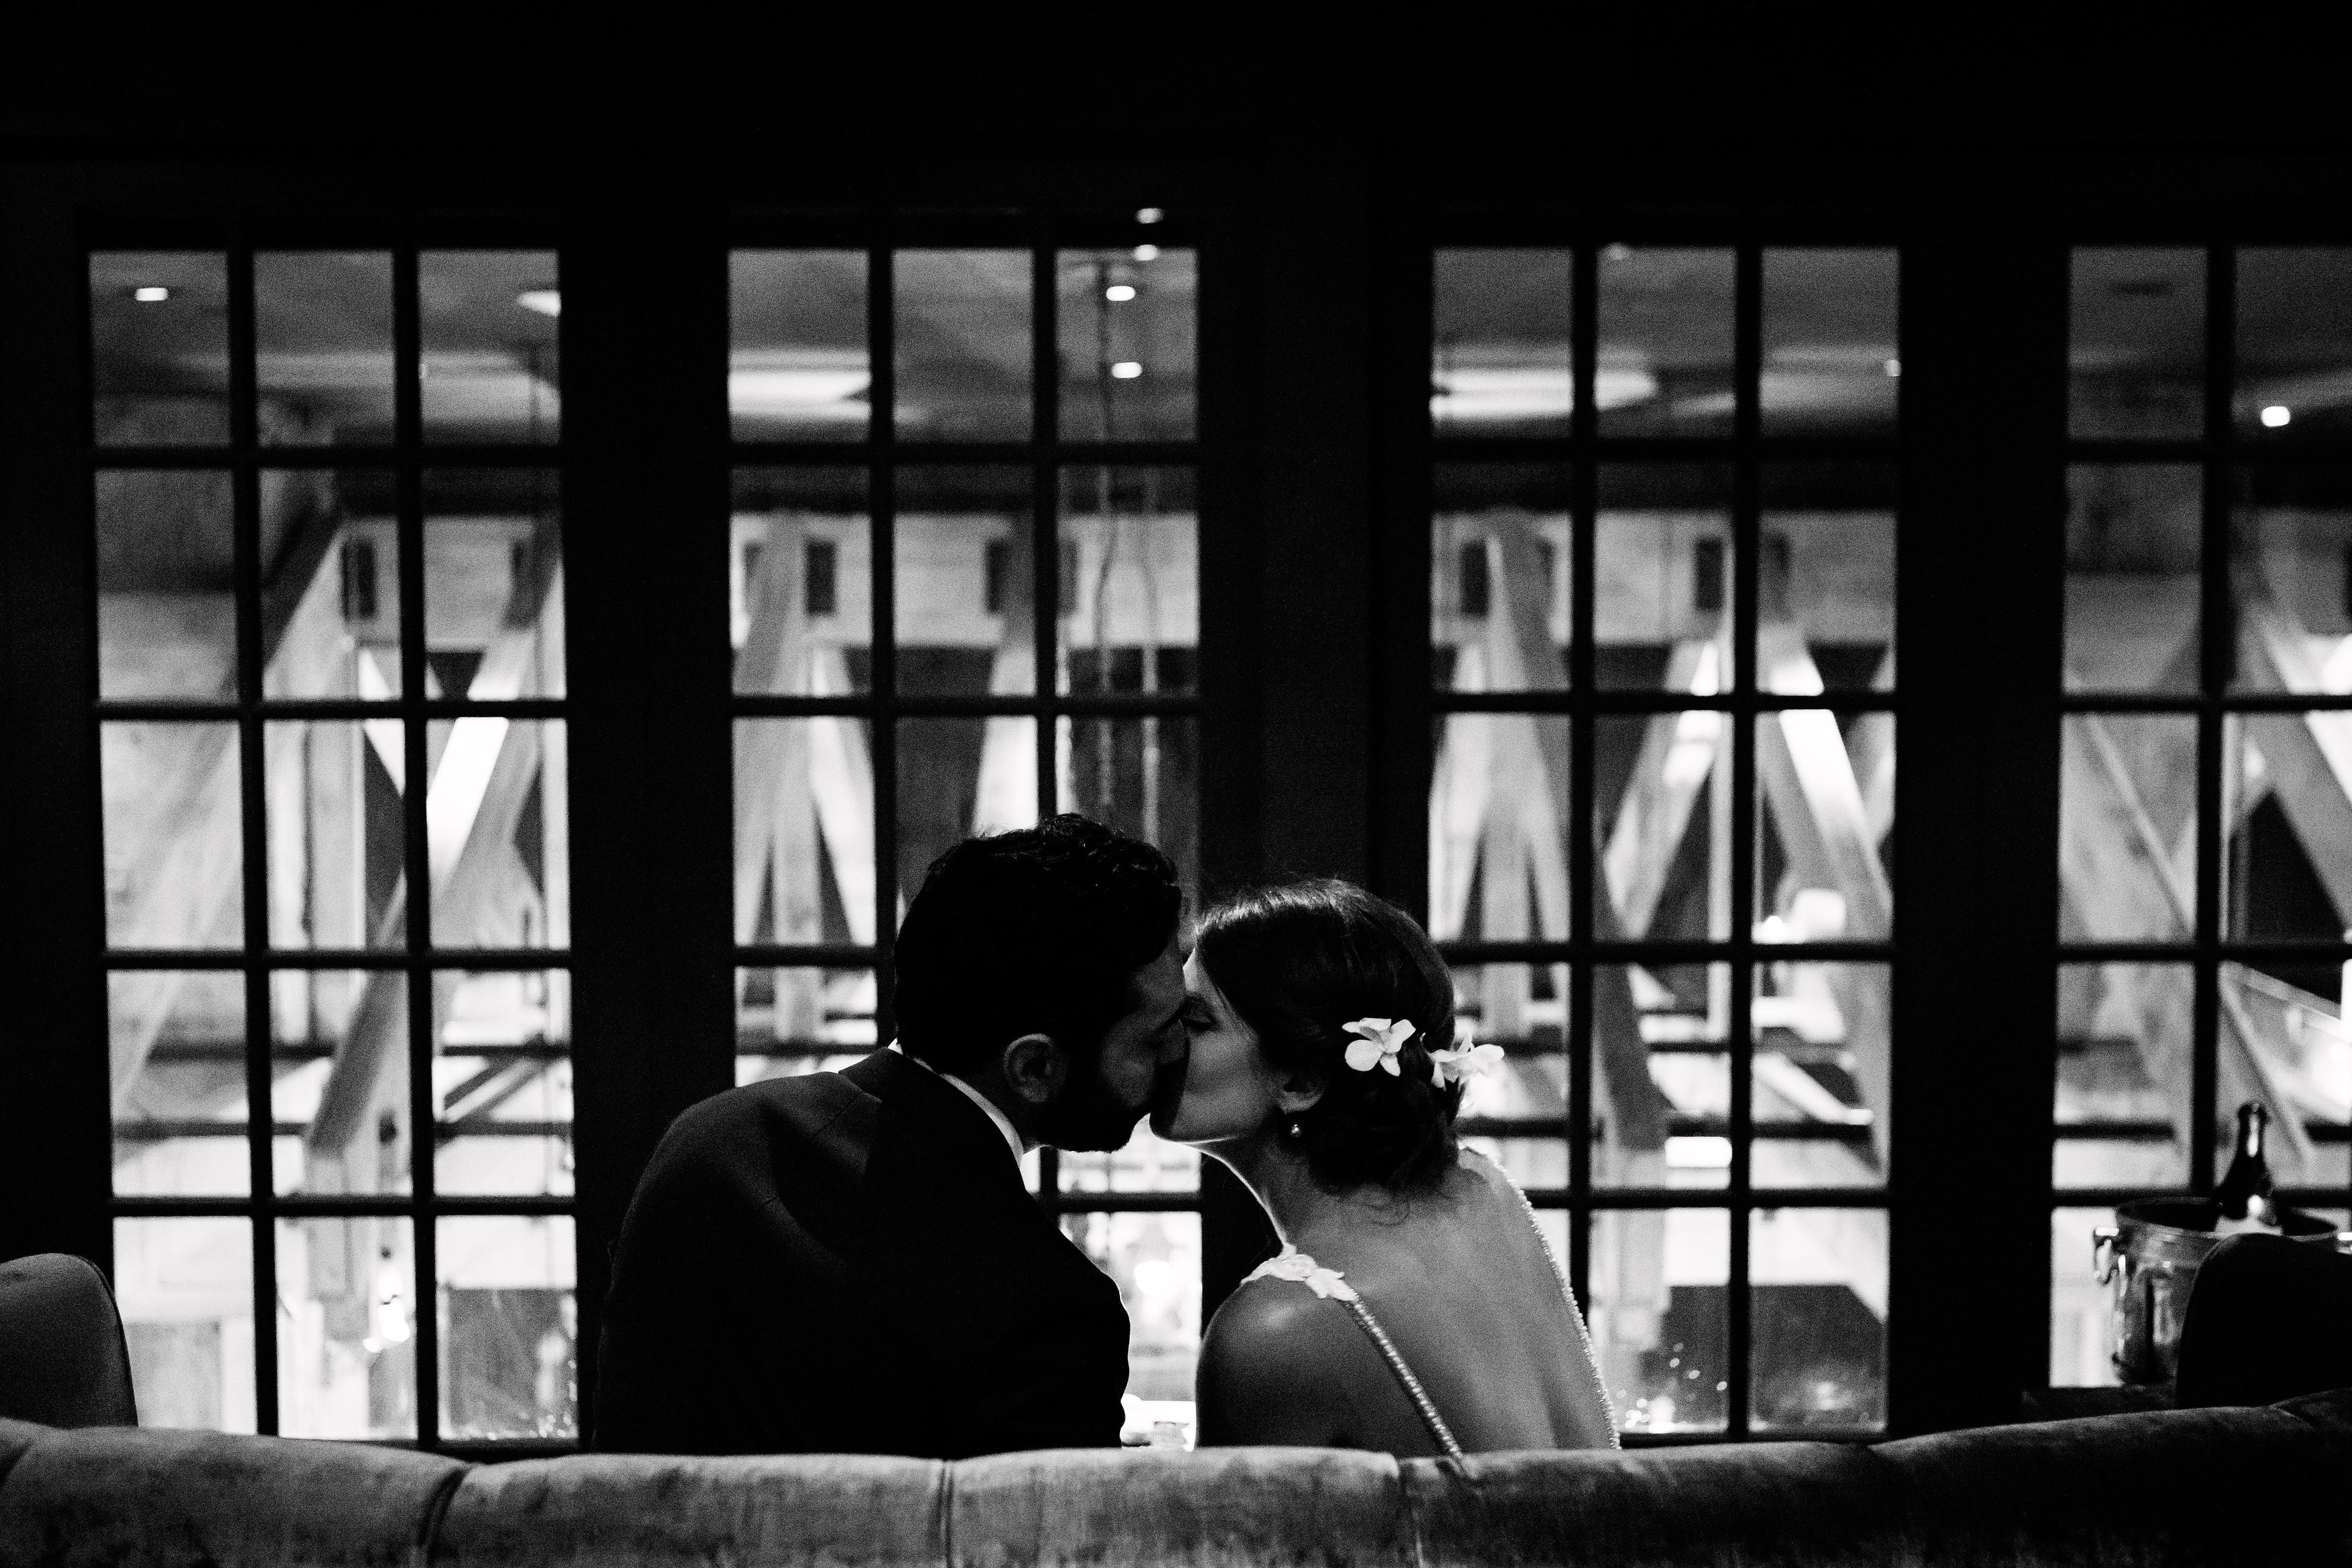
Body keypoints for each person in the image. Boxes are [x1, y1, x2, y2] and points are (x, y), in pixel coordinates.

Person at [593, 815, 1188, 1457]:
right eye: (1155, 1038)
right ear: (1035, 1068)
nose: (1179, 1053)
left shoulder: (710, 1143)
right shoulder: (1051, 1311)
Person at [1157, 878, 1618, 1455]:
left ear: (1301, 1081)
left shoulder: (1275, 1332)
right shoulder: (1481, 1186)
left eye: (1196, 1023)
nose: (1164, 1042)